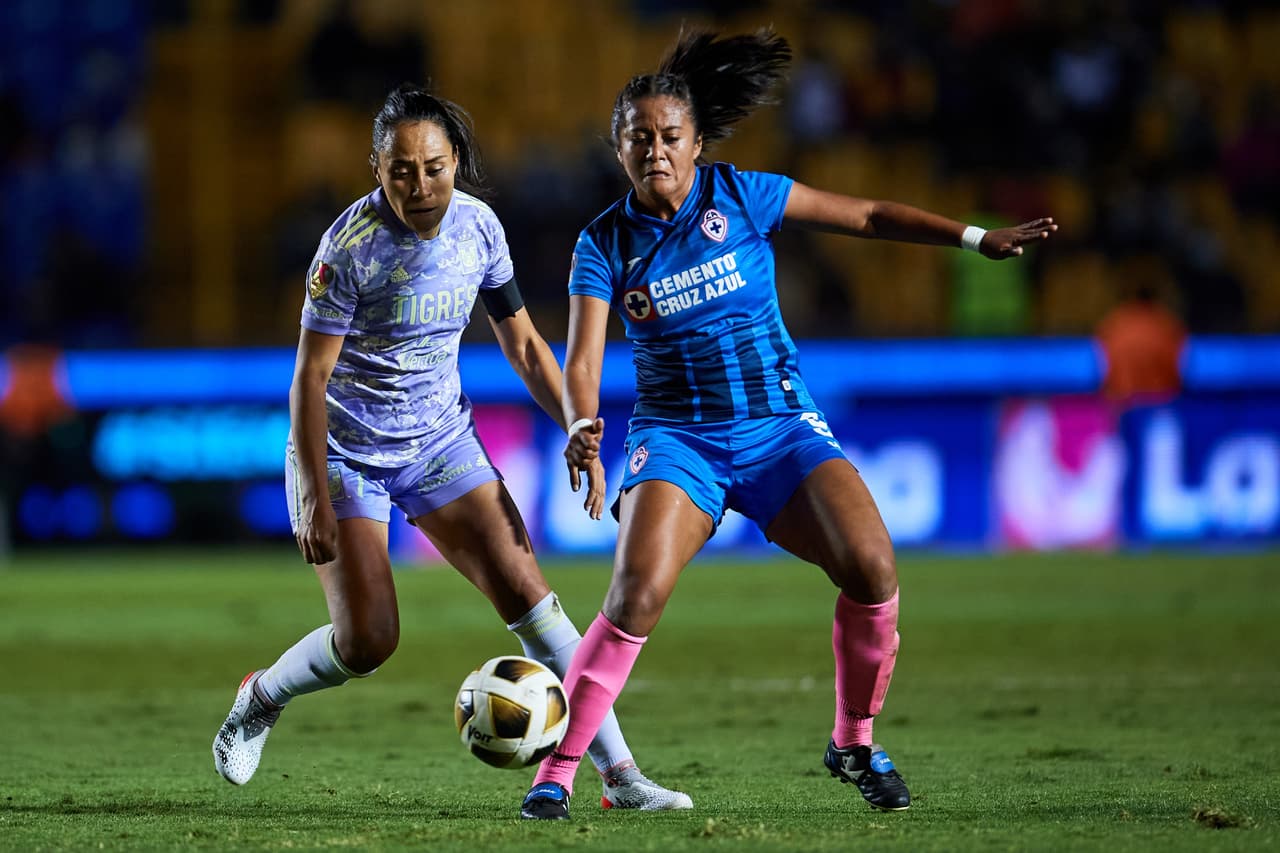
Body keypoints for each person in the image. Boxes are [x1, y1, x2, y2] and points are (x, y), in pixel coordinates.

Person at [519, 30, 1056, 820]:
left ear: (698, 142)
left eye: (671, 137)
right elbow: (583, 359)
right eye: (640, 139)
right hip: (678, 438)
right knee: (636, 594)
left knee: (872, 566)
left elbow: (868, 215)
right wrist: (580, 422)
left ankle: (854, 742)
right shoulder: (603, 243)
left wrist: (974, 238)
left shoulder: (743, 195)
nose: (657, 151)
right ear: (619, 149)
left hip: (779, 427)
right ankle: (557, 774)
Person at [211, 83, 691, 813]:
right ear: (377, 169)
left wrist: (574, 422)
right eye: (401, 170)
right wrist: (311, 488)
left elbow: (525, 343)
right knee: (369, 639)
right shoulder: (348, 249)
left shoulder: (479, 229)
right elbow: (309, 376)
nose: (420, 185)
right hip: (349, 452)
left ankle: (620, 777)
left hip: (438, 441)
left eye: (434, 167)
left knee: (533, 597)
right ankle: (262, 693)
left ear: (457, 161)